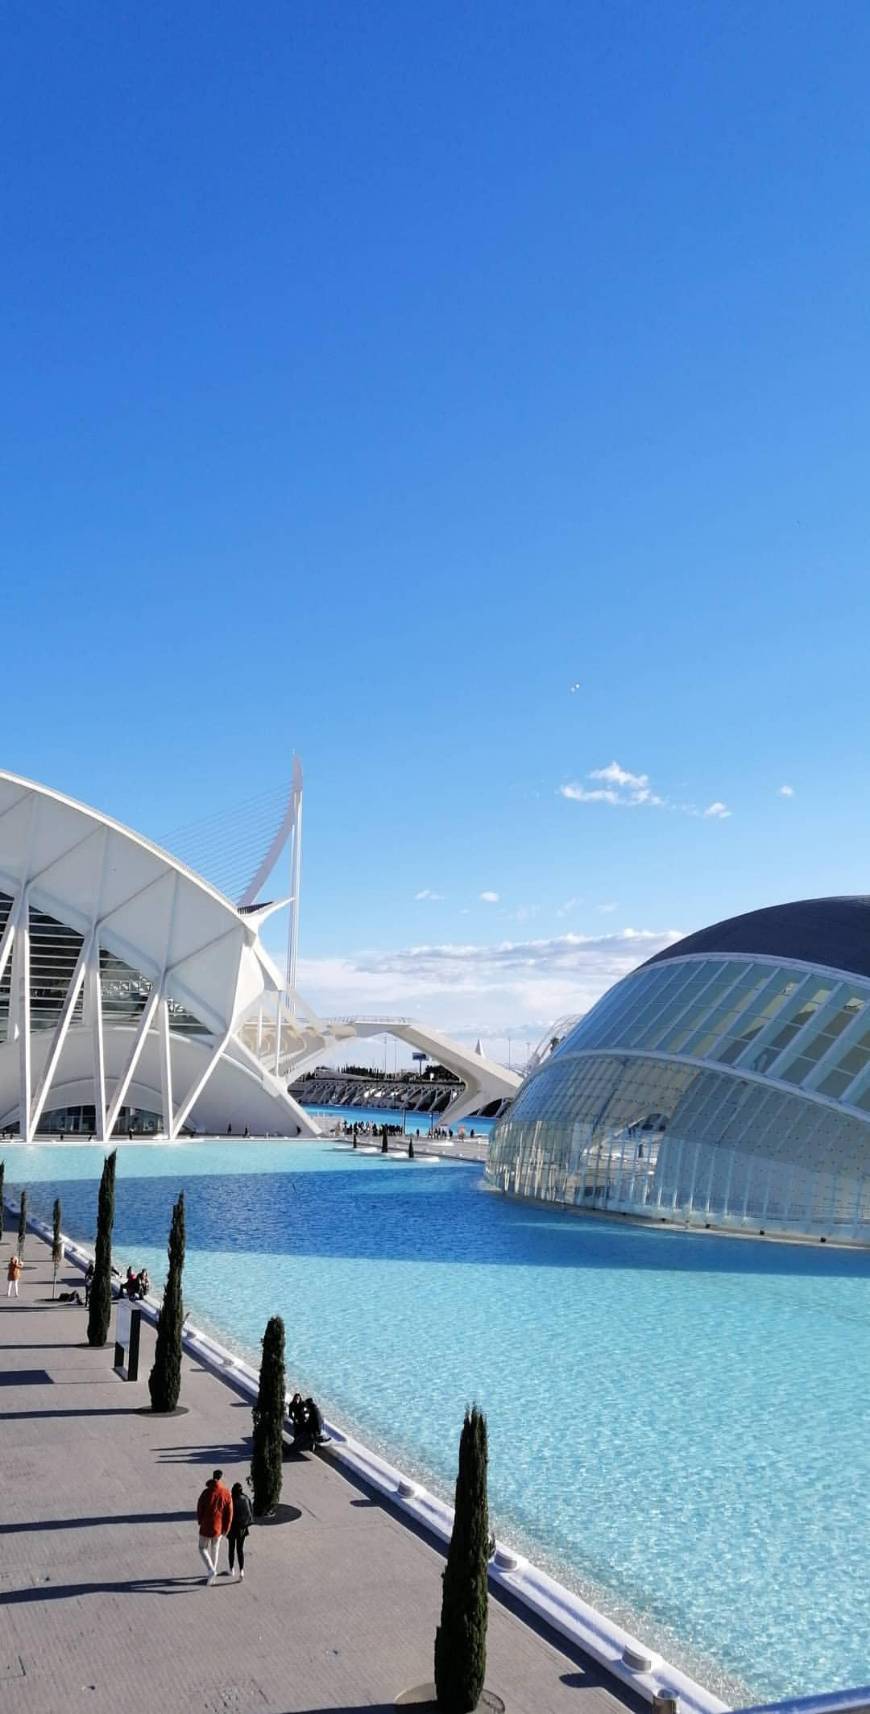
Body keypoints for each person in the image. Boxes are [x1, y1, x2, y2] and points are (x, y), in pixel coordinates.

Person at [196, 1468, 233, 1584]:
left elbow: (200, 1508)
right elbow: (229, 1512)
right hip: (219, 1526)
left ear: (213, 1477)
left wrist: (200, 1520)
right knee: (215, 1548)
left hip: (206, 1526)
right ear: (221, 1478)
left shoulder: (206, 1493)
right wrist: (226, 1528)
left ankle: (210, 1569)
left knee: (202, 1548)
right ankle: (213, 1571)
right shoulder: (226, 1493)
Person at [228, 1482, 253, 1580]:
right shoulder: (246, 1498)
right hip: (242, 1529)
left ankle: (232, 1569)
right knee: (240, 1550)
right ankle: (241, 1570)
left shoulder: (230, 1500)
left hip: (232, 1529)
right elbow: (250, 1511)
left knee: (231, 1548)